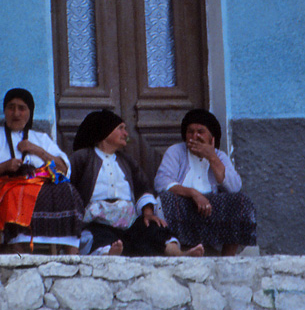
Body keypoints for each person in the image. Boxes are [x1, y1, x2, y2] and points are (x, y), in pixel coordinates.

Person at [69, 109, 203, 257]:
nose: (126, 134)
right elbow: (69, 187)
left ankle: (179, 254)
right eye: (121, 128)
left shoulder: (126, 161)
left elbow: (143, 187)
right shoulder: (82, 158)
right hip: (97, 222)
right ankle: (109, 254)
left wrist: (148, 213)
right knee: (99, 237)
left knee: (153, 229)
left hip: (129, 223)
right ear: (104, 131)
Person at [0, 88, 83, 253]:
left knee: (69, 192)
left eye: (22, 108)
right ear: (5, 111)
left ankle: (72, 260)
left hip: (41, 196)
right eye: (11, 107)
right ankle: (17, 254)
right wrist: (3, 167)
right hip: (1, 194)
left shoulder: (40, 139)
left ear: (30, 112)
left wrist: (37, 150)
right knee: (15, 195)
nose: (16, 113)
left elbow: (64, 170)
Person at [154, 109, 257, 256]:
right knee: (164, 200)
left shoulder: (219, 155)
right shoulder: (176, 151)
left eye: (200, 131)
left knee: (242, 202)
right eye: (190, 132)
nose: (195, 136)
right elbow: (161, 183)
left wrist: (212, 157)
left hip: (211, 208)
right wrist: (193, 194)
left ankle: (227, 257)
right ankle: (181, 252)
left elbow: (235, 187)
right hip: (184, 204)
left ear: (211, 137)